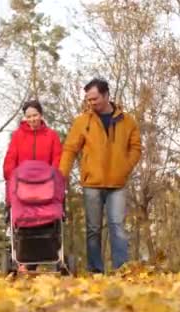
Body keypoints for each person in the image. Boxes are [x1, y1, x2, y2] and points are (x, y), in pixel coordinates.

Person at [59, 78, 142, 273]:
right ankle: (95, 270)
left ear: (106, 95)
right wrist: (61, 176)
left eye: (95, 98)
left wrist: (124, 167)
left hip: (117, 184)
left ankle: (122, 270)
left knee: (117, 226)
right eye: (88, 99)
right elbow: (70, 149)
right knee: (93, 229)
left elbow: (136, 148)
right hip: (92, 183)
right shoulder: (82, 122)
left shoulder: (127, 121)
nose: (91, 103)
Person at [3, 99, 62, 272]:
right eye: (28, 116)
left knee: (50, 221)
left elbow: (57, 157)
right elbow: (11, 157)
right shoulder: (18, 136)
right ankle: (23, 260)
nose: (32, 119)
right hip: (23, 188)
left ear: (41, 115)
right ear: (24, 117)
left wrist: (55, 175)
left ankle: (51, 256)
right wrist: (10, 174)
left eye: (35, 115)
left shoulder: (51, 136)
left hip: (47, 188)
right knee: (22, 222)